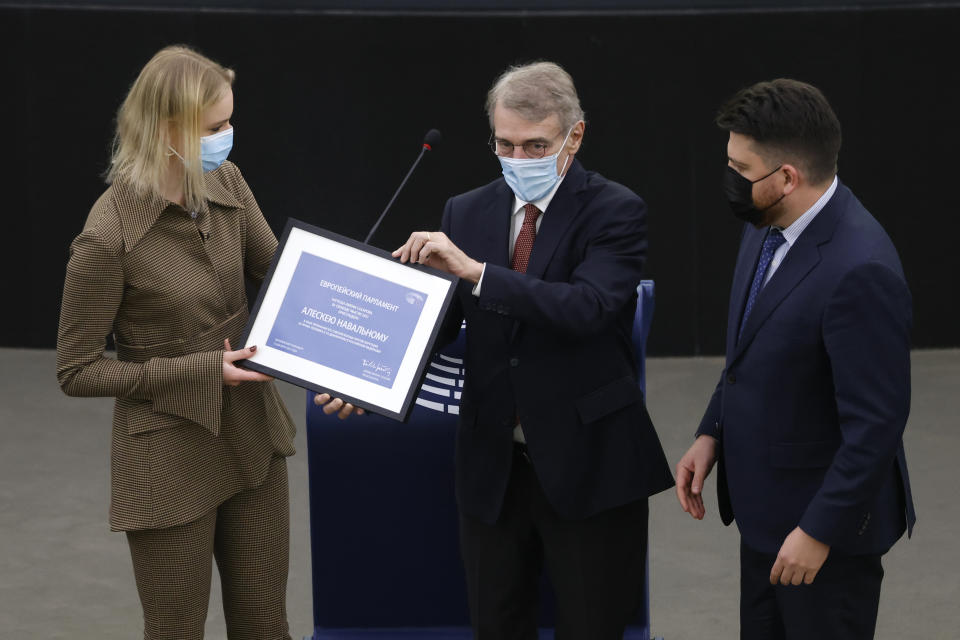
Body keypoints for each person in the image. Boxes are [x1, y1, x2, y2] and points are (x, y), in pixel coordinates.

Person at [56, 45, 355, 640]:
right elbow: (77, 369)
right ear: (168, 129)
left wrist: (370, 311)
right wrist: (201, 370)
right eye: (214, 127)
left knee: (265, 624)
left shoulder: (229, 182)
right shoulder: (108, 235)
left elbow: (285, 275)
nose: (227, 138)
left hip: (252, 438)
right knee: (175, 630)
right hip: (166, 454)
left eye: (230, 122)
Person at [393, 61, 674, 638]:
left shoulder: (616, 210)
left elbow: (588, 308)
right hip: (494, 470)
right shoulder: (465, 210)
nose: (519, 160)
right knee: (496, 625)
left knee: (593, 626)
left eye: (535, 145)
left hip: (588, 464)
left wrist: (478, 272)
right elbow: (441, 323)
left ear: (575, 135)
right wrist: (363, 373)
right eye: (505, 144)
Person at [675, 78, 916, 639]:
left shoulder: (862, 271)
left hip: (821, 543)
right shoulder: (768, 222)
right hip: (765, 522)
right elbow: (753, 344)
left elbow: (876, 425)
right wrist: (713, 429)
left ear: (787, 178)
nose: (730, 178)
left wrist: (818, 530)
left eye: (741, 167)